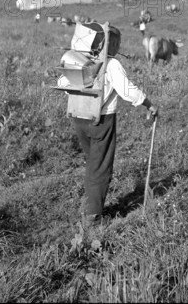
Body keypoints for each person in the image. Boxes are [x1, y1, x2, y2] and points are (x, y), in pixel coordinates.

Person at [72, 25, 158, 230]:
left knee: (93, 163)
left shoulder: (78, 61)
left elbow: (66, 85)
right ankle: (94, 217)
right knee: (100, 168)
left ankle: (92, 205)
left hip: (79, 118)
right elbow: (127, 91)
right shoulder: (111, 64)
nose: (119, 46)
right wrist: (149, 104)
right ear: (107, 44)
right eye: (117, 42)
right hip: (101, 121)